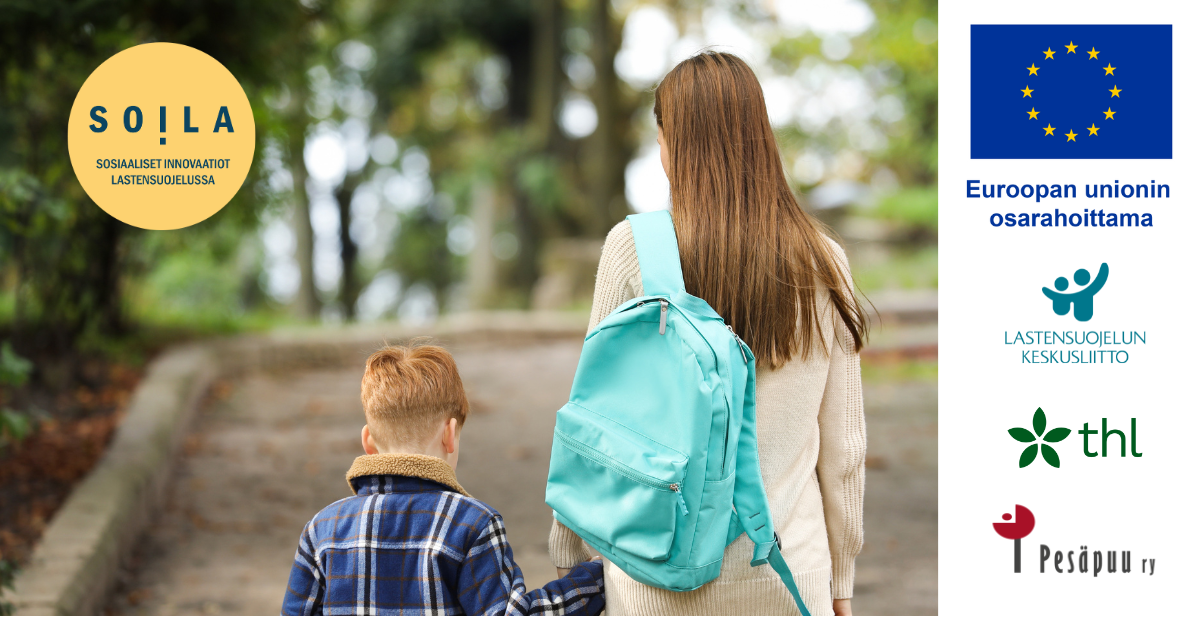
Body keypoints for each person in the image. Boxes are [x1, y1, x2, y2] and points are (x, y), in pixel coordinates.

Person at [548, 52, 868, 616]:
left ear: (674, 144)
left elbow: (595, 414)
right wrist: (841, 578)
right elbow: (843, 448)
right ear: (759, 138)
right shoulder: (824, 262)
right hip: (788, 574)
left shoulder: (634, 249)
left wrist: (569, 546)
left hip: (654, 574)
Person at [282, 344, 605, 616]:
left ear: (368, 442)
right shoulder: (472, 524)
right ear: (450, 435)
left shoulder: (322, 529)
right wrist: (591, 581)